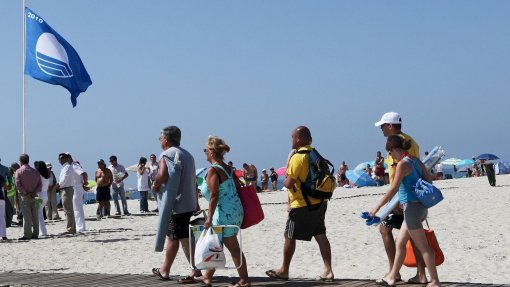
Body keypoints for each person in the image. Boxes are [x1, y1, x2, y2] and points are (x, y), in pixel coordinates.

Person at [369, 135, 441, 287]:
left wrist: (377, 207)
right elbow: (429, 180)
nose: (390, 156)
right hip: (420, 207)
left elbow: (393, 188)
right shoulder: (415, 160)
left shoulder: (402, 164)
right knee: (400, 243)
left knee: (424, 247)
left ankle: (435, 281)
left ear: (395, 149)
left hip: (411, 210)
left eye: (390, 152)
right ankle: (392, 277)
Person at [266, 126, 333, 282]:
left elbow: (289, 183)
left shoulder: (298, 157)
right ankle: (328, 270)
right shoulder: (315, 155)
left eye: (292, 137)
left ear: (299, 138)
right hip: (320, 202)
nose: (291, 140)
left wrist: (288, 163)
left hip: (302, 204)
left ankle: (284, 270)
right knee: (320, 234)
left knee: (289, 236)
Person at [374, 111, 427, 284]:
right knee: (413, 234)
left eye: (382, 126)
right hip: (407, 196)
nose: (381, 129)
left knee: (385, 228)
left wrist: (397, 200)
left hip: (403, 197)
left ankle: (394, 272)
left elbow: (404, 174)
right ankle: (420, 274)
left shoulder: (399, 145)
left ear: (390, 126)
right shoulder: (410, 141)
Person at [151, 126, 202, 283]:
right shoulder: (188, 155)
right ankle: (165, 269)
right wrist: (196, 201)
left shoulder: (167, 154)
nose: (159, 141)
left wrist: (155, 184)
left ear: (166, 139)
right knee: (176, 236)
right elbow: (193, 180)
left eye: (160, 138)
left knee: (179, 237)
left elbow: (162, 174)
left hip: (175, 203)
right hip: (188, 202)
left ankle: (194, 270)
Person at [198, 135, 250, 287]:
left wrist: (209, 217)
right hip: (235, 210)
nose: (204, 153)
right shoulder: (228, 168)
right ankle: (208, 276)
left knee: (233, 247)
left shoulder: (213, 170)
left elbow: (214, 195)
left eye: (205, 150)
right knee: (216, 243)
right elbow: (238, 186)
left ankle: (245, 281)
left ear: (212, 152)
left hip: (224, 213)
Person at [15, 154, 42, 240]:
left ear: (21, 161)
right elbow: (40, 184)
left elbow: (18, 184)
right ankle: (36, 233)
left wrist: (25, 192)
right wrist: (34, 192)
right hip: (34, 195)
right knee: (35, 215)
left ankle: (27, 234)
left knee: (27, 217)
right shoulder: (35, 171)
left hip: (25, 196)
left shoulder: (19, 171)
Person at [56, 153, 76, 235]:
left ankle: (71, 229)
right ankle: (70, 228)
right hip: (64, 189)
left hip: (66, 189)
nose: (60, 160)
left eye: (62, 158)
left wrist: (58, 185)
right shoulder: (64, 167)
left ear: (66, 158)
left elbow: (64, 179)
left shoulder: (67, 167)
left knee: (68, 210)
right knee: (66, 209)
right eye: (59, 158)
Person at [68, 155, 88, 233]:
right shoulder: (71, 166)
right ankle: (80, 226)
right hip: (76, 188)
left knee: (77, 209)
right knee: (77, 208)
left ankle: (80, 227)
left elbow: (83, 173)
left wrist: (85, 183)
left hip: (76, 188)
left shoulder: (74, 166)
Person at [34, 161, 49, 237]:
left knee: (39, 214)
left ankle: (42, 231)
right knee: (40, 214)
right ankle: (43, 231)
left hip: (39, 196)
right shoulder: (46, 176)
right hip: (45, 196)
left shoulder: (38, 175)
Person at [0, 173, 9, 240]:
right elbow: (5, 187)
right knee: (2, 217)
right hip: (1, 198)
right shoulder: (1, 176)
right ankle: (3, 235)